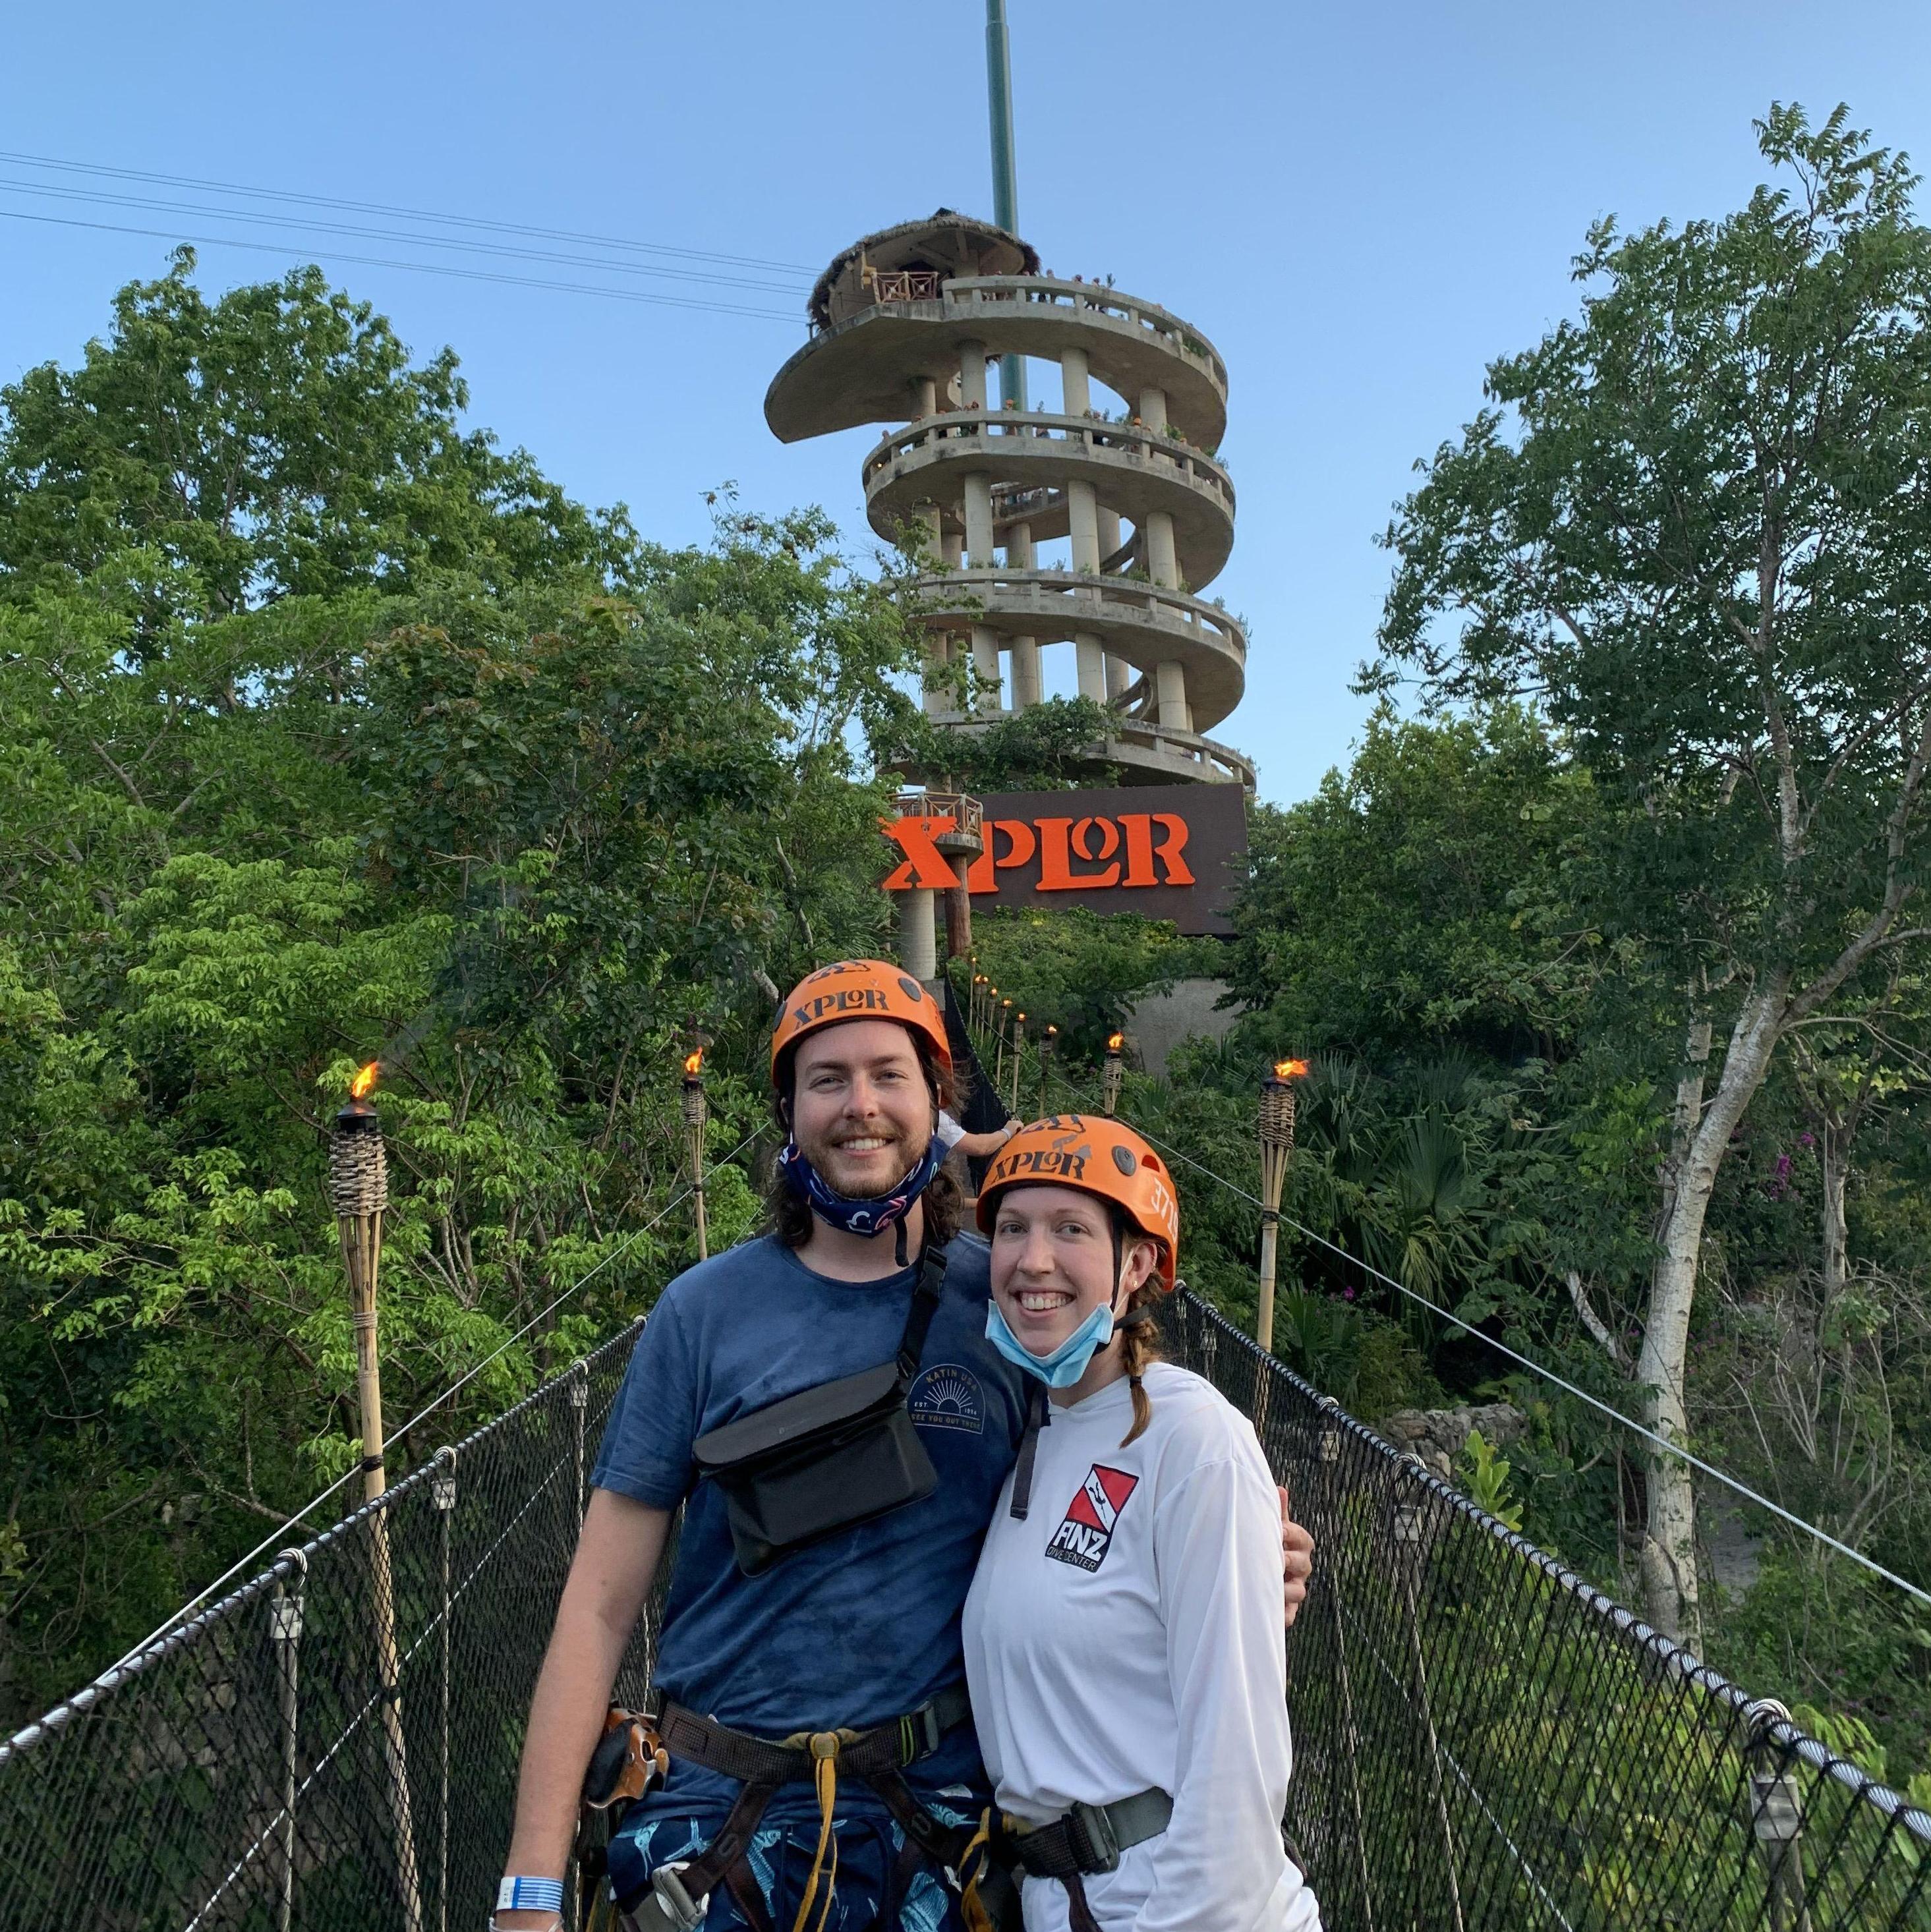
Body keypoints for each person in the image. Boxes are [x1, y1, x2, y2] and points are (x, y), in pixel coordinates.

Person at [493, 961, 1313, 1932]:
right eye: (827, 1079)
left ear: (937, 1105)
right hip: (721, 1825)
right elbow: (597, 1607)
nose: (861, 1105)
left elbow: (1114, 1450)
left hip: (933, 1838)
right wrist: (530, 1889)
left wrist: (1225, 1562)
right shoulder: (700, 1315)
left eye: (889, 1075)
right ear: (788, 1110)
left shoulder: (1009, 1303)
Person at [962, 1117, 1323, 1932]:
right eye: (1012, 1228)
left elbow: (1236, 1772)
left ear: (1134, 1265)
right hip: (1066, 1900)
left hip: (1174, 1909)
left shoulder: (1192, 1440)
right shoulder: (1034, 1432)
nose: (1033, 1259)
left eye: (1070, 1229)